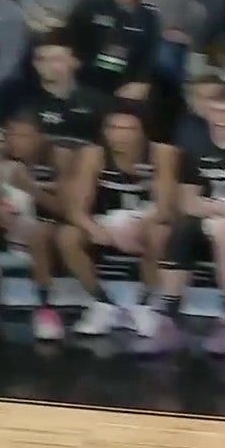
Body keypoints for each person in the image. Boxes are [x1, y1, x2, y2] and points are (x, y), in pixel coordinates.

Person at [142, 81, 225, 355]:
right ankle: (169, 316)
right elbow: (188, 202)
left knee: (224, 229)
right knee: (180, 230)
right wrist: (219, 209)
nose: (220, 119)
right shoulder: (198, 149)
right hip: (213, 218)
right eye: (215, 112)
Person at [58, 105, 164, 336]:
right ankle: (102, 303)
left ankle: (146, 305)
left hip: (145, 221)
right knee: (68, 236)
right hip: (105, 221)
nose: (120, 135)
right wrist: (94, 228)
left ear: (142, 132)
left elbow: (167, 208)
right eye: (114, 128)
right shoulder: (94, 155)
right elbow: (76, 209)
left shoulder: (159, 154)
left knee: (159, 234)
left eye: (129, 129)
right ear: (105, 131)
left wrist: (138, 226)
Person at [0, 113, 68, 340]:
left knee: (40, 233)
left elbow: (64, 209)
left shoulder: (59, 159)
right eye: (12, 135)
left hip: (50, 231)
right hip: (12, 231)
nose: (17, 140)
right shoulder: (1, 161)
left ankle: (46, 308)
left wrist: (30, 187)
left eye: (24, 136)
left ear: (40, 137)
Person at [65, 0, 158, 107]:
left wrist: (141, 84)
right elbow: (70, 47)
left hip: (124, 90)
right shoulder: (90, 6)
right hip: (84, 83)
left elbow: (147, 64)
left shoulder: (149, 19)